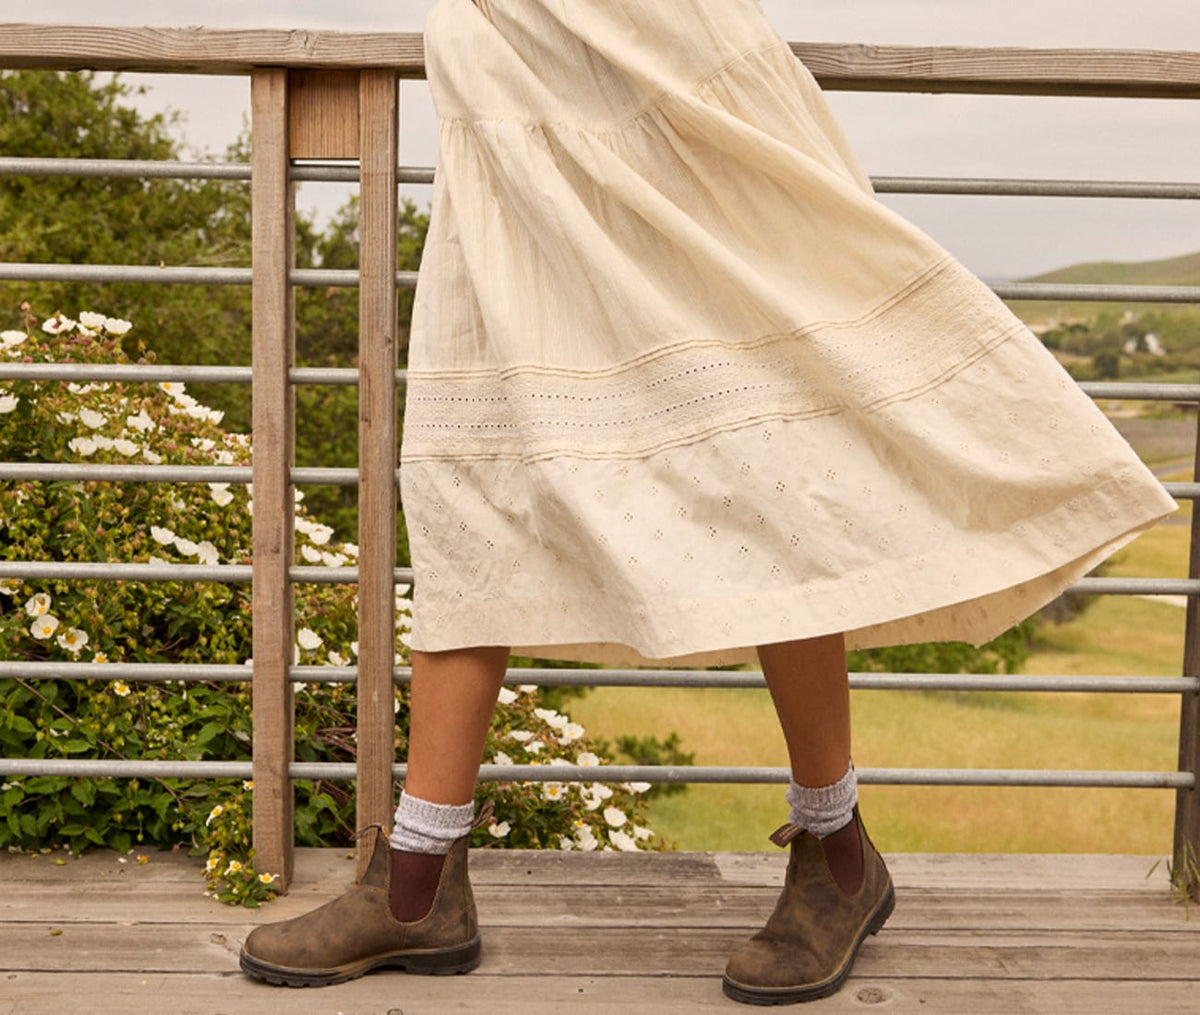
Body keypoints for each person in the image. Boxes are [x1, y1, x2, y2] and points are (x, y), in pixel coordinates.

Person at [238, 0, 1175, 1004]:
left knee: (767, 464)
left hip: (667, 87)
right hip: (510, 149)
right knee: (476, 482)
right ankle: (418, 884)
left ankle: (837, 852)